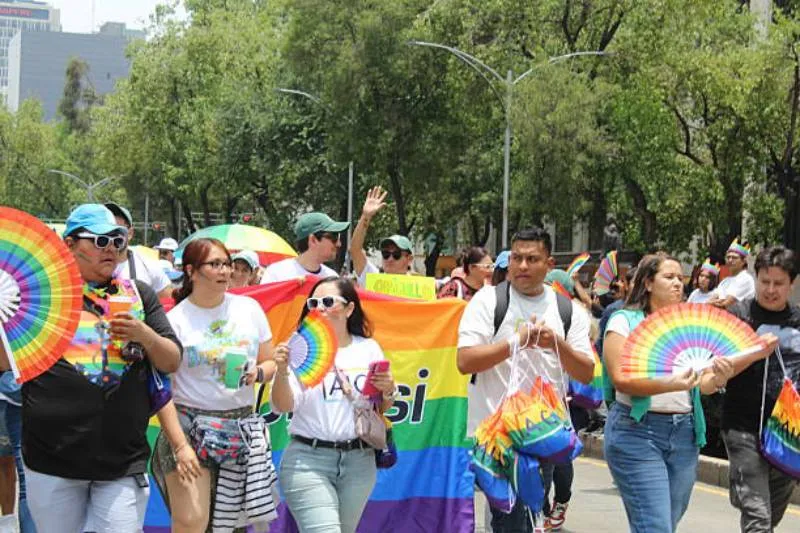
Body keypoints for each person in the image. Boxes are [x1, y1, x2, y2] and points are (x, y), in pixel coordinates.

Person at [0, 204, 182, 532]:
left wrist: (144, 335)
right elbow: (5, 363)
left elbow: (171, 361)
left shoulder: (139, 295)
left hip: (122, 461)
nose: (111, 248)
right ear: (69, 244)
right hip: (51, 460)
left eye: (118, 240)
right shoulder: (38, 299)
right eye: (100, 241)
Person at [602, 253, 771, 533]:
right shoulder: (624, 321)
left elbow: (703, 384)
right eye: (668, 278)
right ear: (647, 283)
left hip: (685, 434)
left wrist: (722, 374)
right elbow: (622, 380)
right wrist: (674, 383)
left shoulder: (689, 324)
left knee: (667, 521)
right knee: (656, 526)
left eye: (680, 278)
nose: (677, 284)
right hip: (636, 434)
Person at [456, 227, 594, 532]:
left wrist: (555, 343)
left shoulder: (567, 310)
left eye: (532, 259)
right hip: (496, 441)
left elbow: (586, 371)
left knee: (524, 519)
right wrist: (514, 343)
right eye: (517, 257)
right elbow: (465, 361)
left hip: (541, 436)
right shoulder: (487, 301)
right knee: (511, 520)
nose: (522, 266)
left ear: (549, 263)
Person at [151, 238, 278, 533]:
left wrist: (257, 373)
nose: (224, 271)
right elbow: (161, 390)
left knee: (231, 527)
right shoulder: (174, 321)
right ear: (191, 271)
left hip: (239, 430)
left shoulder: (249, 309)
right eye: (215, 264)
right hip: (189, 429)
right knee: (192, 522)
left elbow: (270, 363)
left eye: (227, 264)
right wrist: (181, 446)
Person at [271, 277, 397, 533]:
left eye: (328, 302)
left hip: (359, 461)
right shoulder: (299, 349)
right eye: (313, 302)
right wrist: (282, 372)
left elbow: (379, 409)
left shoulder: (369, 348)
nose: (319, 308)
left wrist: (387, 390)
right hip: (308, 460)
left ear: (349, 309)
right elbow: (283, 405)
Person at [721, 246, 799, 532]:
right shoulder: (738, 316)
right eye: (764, 281)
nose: (770, 290)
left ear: (792, 283)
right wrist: (754, 352)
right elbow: (721, 368)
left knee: (770, 517)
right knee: (758, 518)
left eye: (778, 283)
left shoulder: (798, 321)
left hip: (786, 433)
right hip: (743, 429)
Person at [104, 202, 173, 299]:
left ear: (130, 233)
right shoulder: (89, 266)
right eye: (104, 229)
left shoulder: (149, 267)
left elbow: (168, 302)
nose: (110, 234)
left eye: (117, 229)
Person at [349, 186, 415, 286]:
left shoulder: (418, 287)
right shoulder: (373, 278)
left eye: (396, 255)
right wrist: (366, 216)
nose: (390, 259)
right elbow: (355, 250)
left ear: (409, 259)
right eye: (386, 254)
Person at [261, 212, 349, 284]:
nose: (339, 244)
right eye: (334, 237)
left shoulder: (332, 279)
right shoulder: (276, 274)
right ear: (313, 240)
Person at [709, 238, 755, 309]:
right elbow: (711, 300)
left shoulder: (746, 279)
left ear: (743, 261)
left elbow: (726, 304)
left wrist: (712, 303)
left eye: (734, 258)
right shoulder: (724, 281)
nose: (730, 260)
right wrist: (711, 302)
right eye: (728, 257)